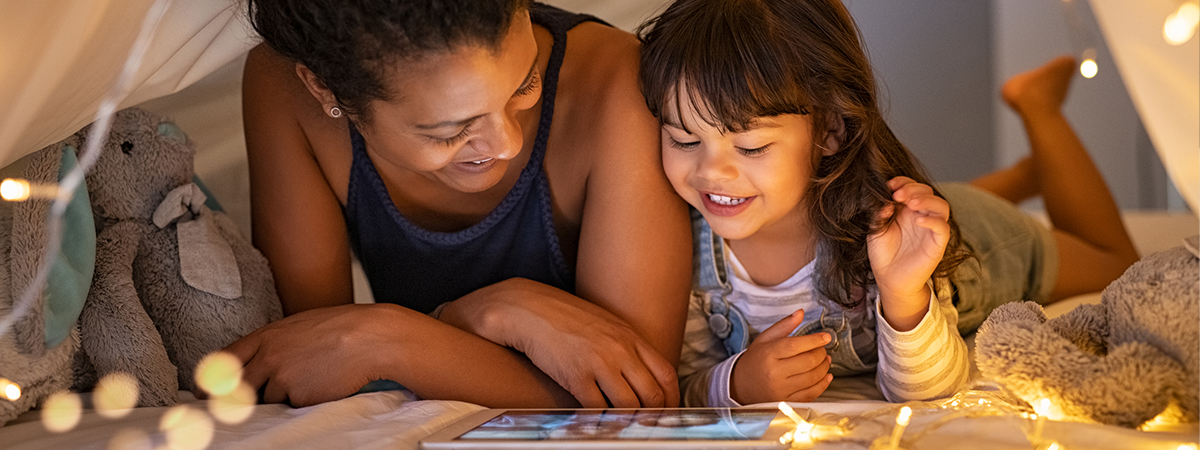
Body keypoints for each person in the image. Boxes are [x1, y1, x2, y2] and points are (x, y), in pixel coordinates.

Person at [635, 0, 1139, 407]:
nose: (710, 171)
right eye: (683, 139)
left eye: (750, 148)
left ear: (830, 129)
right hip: (913, 206)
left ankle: (1039, 107)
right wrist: (736, 384)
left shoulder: (885, 240)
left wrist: (902, 294)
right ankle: (1025, 176)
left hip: (979, 244)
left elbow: (931, 389)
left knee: (1116, 262)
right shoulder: (687, 249)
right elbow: (685, 379)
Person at [226, 0, 692, 408]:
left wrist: (391, 338)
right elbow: (309, 356)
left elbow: (638, 394)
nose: (505, 143)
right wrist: (483, 314)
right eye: (450, 131)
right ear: (325, 90)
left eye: (525, 84)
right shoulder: (281, 85)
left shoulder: (616, 83)